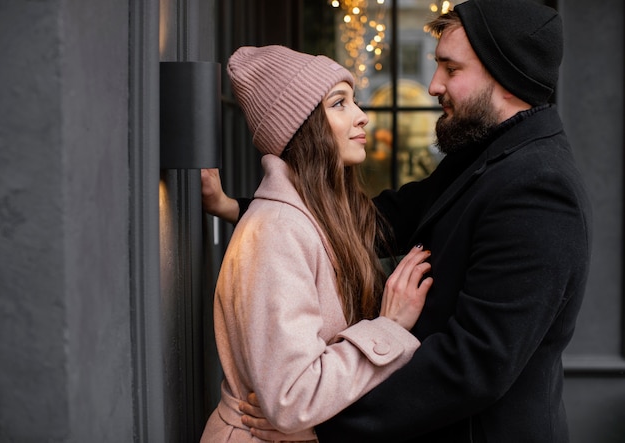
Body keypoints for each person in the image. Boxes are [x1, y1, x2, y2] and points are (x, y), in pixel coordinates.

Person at [202, 1, 593, 442]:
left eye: (450, 68)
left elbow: (474, 365)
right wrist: (245, 207)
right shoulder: (485, 157)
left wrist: (324, 425)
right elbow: (382, 219)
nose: (432, 85)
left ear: (505, 77)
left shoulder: (538, 188)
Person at [200, 45, 434, 442]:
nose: (362, 115)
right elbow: (293, 398)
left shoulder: (322, 220)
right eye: (339, 103)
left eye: (354, 100)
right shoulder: (278, 230)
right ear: (301, 127)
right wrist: (390, 328)